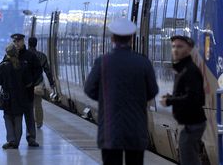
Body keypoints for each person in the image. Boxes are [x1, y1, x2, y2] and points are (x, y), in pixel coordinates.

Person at [84, 18, 159, 165]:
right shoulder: (143, 62)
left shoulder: (103, 62)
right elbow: (153, 91)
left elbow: (89, 89)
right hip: (136, 130)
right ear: (132, 38)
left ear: (112, 38)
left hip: (110, 130)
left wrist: (106, 98)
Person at [159, 35, 206, 165]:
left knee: (188, 159)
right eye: (173, 46)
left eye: (180, 46)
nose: (175, 50)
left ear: (190, 49)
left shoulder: (189, 70)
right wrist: (172, 97)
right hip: (190, 124)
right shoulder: (183, 69)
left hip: (192, 124)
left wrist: (170, 101)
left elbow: (193, 97)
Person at [10, 33, 42, 147]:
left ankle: (31, 137)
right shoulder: (10, 56)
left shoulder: (30, 56)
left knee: (29, 115)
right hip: (14, 93)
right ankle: (14, 139)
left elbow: (38, 70)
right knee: (16, 117)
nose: (17, 43)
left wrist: (32, 82)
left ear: (23, 41)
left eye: (18, 41)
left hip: (27, 92)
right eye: (15, 42)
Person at [0, 43, 28, 149]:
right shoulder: (23, 65)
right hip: (21, 97)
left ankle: (11, 140)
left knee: (8, 118)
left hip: (7, 97)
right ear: (16, 52)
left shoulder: (3, 66)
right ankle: (17, 142)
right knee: (18, 118)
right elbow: (29, 81)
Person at [28, 37, 55, 128]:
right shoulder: (42, 56)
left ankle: (30, 122)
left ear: (28, 43)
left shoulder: (24, 55)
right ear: (36, 44)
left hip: (26, 84)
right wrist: (51, 83)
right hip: (38, 84)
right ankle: (39, 122)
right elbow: (47, 71)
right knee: (38, 104)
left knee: (28, 105)